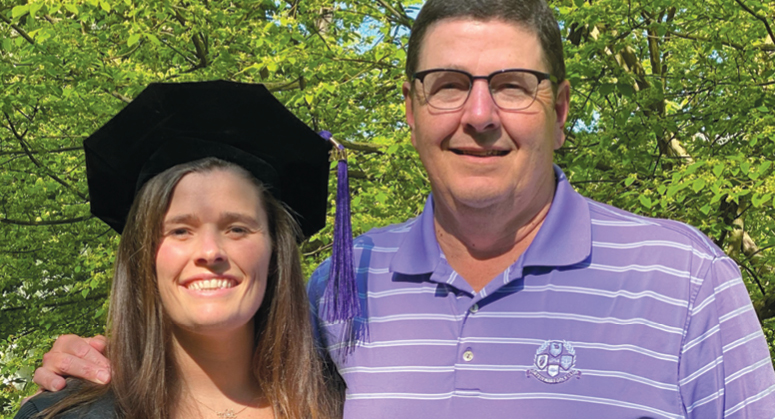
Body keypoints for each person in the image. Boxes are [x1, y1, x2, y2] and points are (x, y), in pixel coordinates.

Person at [31, 0, 775, 418]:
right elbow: (203, 357)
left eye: (512, 84)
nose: (478, 114)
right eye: (447, 83)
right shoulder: (335, 293)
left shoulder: (683, 282)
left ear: (561, 107)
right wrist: (100, 368)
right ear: (412, 109)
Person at [16, 81, 341, 419]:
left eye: (237, 229)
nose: (210, 251)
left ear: (275, 252)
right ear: (142, 256)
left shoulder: (346, 405)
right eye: (180, 230)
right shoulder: (64, 416)